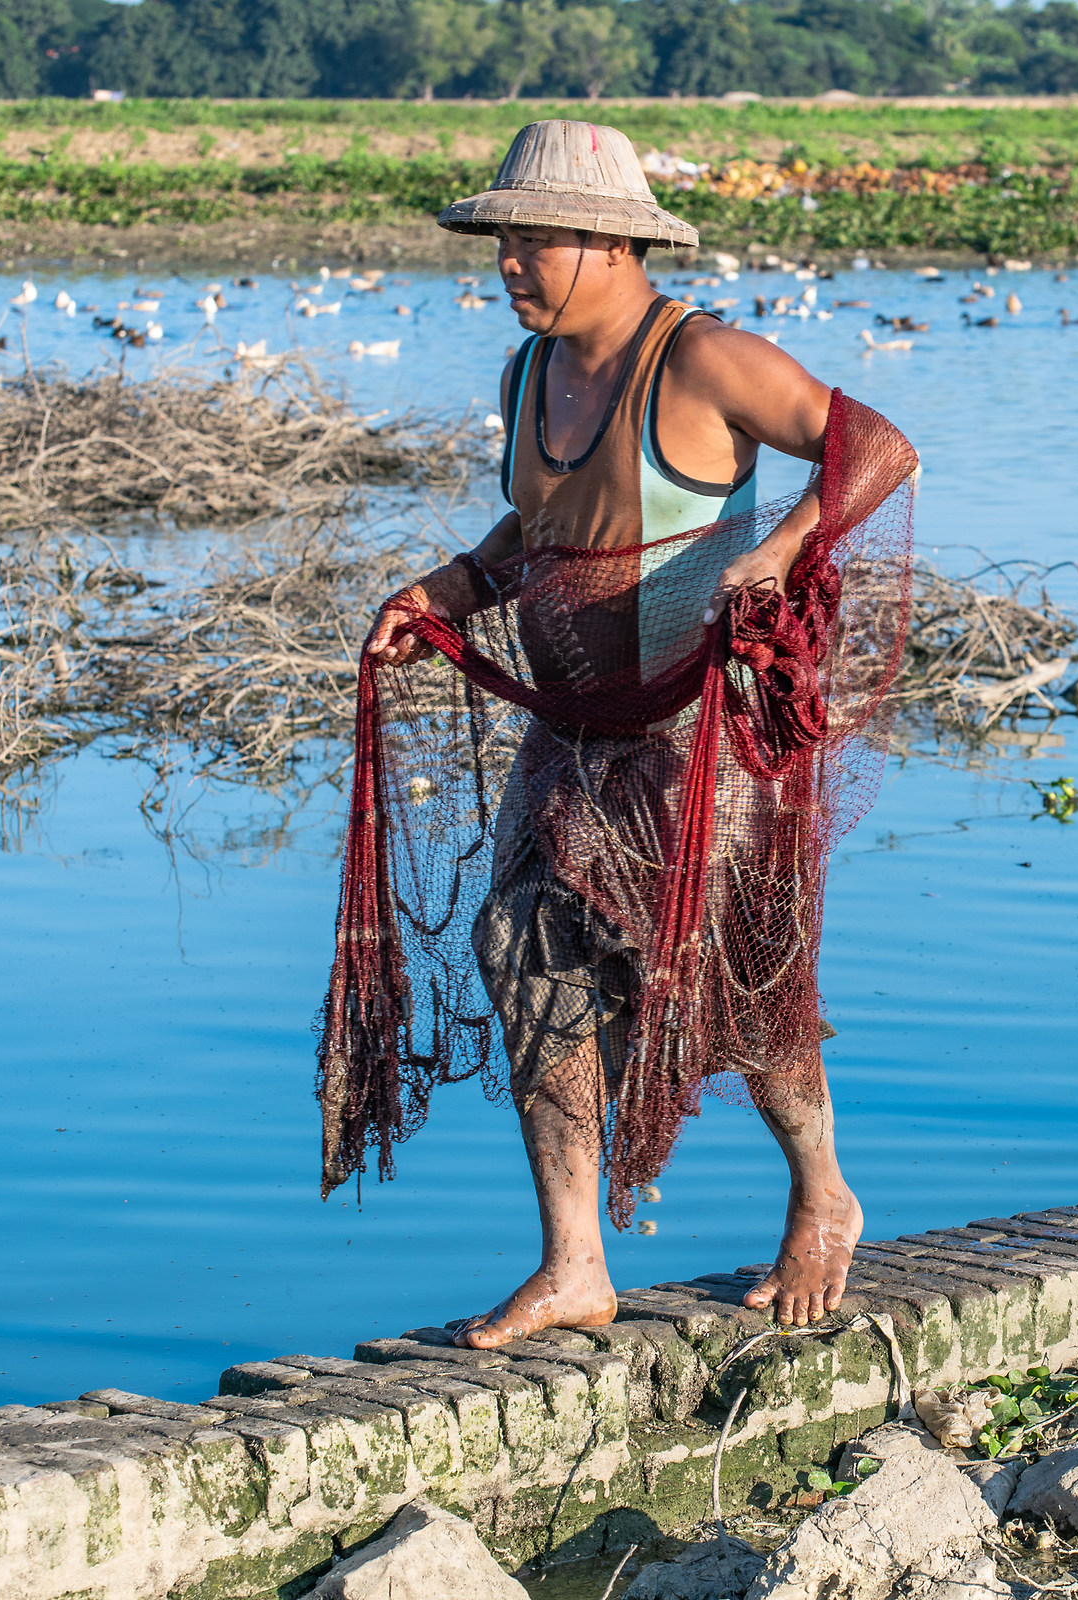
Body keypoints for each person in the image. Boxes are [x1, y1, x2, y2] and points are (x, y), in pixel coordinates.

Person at [341, 120, 917, 1345]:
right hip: (576, 729)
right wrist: (443, 590)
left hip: (700, 730)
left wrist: (776, 547)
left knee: (739, 983)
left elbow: (874, 444)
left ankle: (824, 1192)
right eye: (500, 240)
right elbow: (535, 535)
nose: (507, 262)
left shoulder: (701, 359)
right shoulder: (527, 376)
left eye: (532, 239)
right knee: (526, 949)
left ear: (610, 243)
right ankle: (574, 1263)